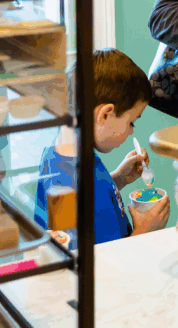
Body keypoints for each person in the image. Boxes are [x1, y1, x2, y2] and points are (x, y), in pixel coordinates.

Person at [32, 49, 170, 246]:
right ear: (105, 114)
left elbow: (92, 201)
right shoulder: (79, 184)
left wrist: (118, 179)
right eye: (132, 122)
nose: (131, 132)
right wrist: (145, 231)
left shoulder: (58, 155)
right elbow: (104, 265)